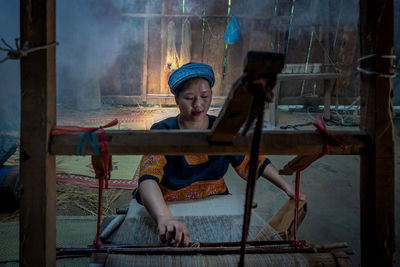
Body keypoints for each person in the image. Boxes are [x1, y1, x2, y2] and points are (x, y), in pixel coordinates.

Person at [135, 63, 306, 247]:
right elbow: (148, 178)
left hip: (215, 201)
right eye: (189, 98)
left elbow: (254, 161)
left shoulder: (222, 131)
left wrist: (287, 188)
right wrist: (164, 217)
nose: (198, 104)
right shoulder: (163, 131)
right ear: (176, 99)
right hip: (170, 205)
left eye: (204, 96)